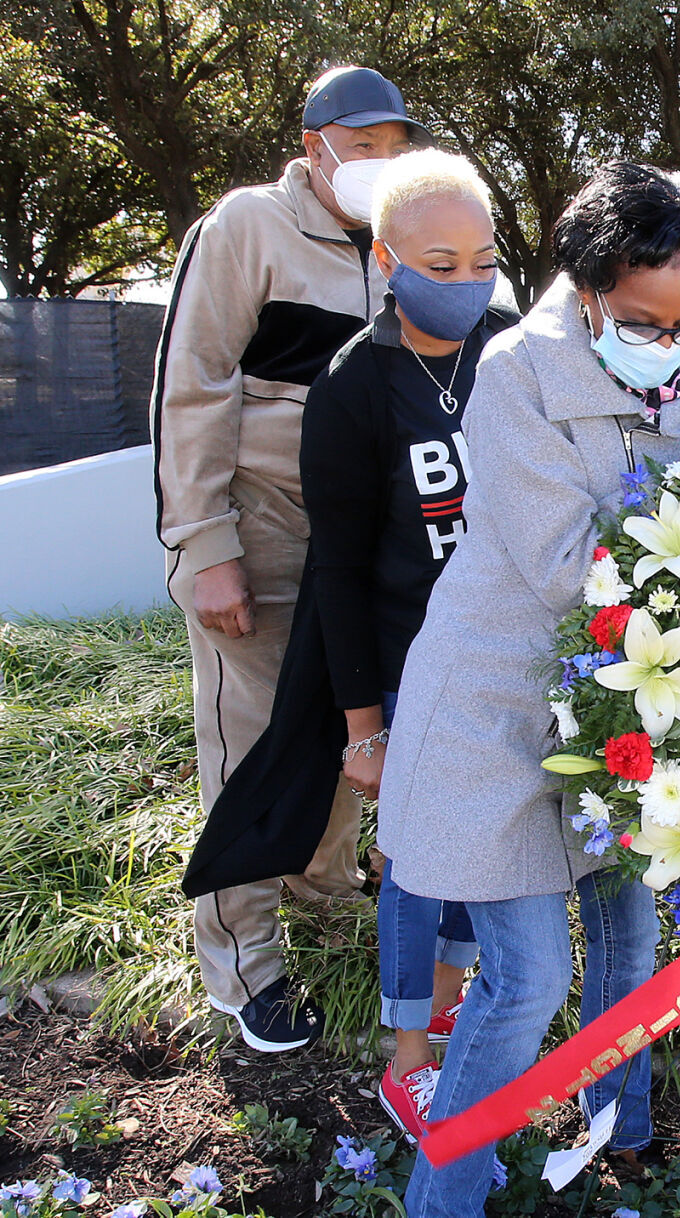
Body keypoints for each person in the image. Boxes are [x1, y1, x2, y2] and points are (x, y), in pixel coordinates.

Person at [377, 162, 680, 1215]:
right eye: (643, 320)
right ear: (587, 292)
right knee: (529, 977)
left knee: (631, 940)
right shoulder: (517, 373)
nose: (669, 346)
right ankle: (442, 1193)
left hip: (634, 710)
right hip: (499, 706)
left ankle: (619, 1134)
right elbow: (572, 566)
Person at [151, 65, 426, 1052]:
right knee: (253, 741)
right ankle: (242, 965)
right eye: (362, 147)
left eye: (395, 149)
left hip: (359, 537)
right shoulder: (243, 229)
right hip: (259, 523)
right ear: (313, 147)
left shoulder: (400, 244)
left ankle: (325, 903)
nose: (379, 165)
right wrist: (203, 545)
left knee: (346, 724)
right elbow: (192, 385)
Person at [293, 149, 517, 1138]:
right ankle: (408, 1060)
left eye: (483, 261)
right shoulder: (353, 384)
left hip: (510, 660)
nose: (468, 283)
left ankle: (455, 1005)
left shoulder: (511, 352)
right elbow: (335, 567)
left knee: (491, 850)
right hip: (409, 666)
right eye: (441, 261)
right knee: (420, 870)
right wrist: (361, 729)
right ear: (387, 259)